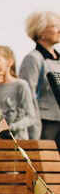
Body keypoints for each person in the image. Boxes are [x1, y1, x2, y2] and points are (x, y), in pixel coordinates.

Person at [18, 10, 60, 149]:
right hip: (45, 123)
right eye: (54, 26)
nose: (59, 30)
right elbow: (28, 96)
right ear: (41, 31)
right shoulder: (33, 59)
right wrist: (34, 127)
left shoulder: (57, 58)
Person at [0, 45, 39, 140]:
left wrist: (10, 128)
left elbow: (30, 116)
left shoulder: (20, 85)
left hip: (18, 140)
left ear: (9, 62)